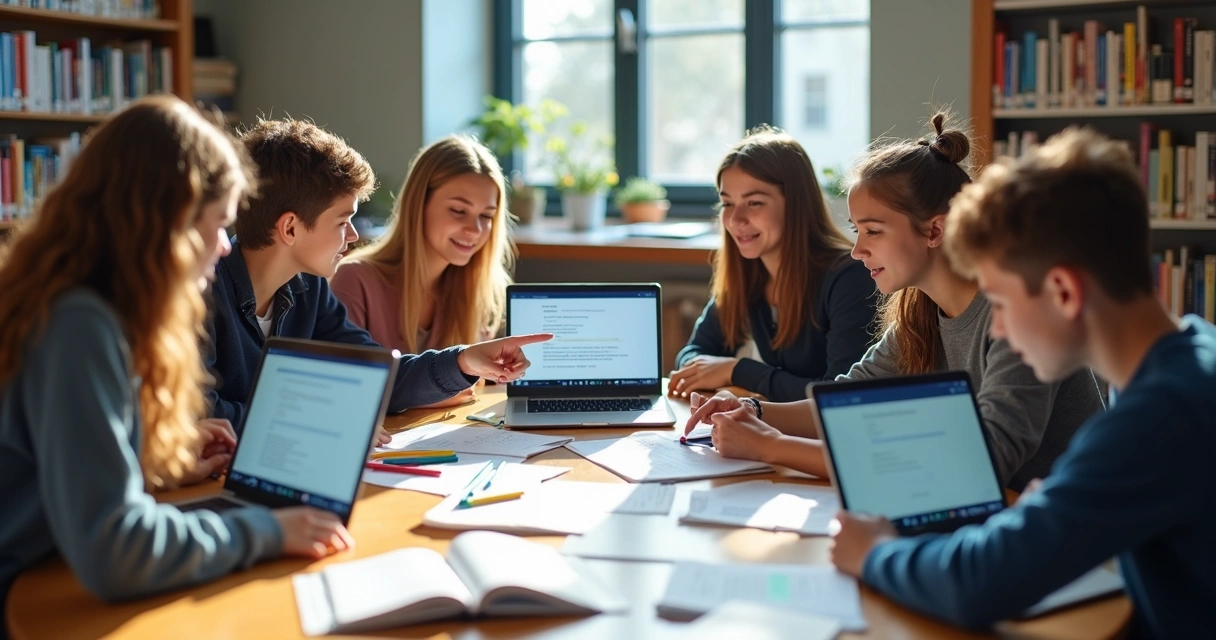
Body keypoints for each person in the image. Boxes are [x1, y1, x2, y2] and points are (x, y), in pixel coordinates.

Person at [830, 127, 1216, 637]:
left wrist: (876, 552)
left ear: (1063, 292)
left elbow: (981, 582)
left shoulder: (1158, 417)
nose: (1001, 327)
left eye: (1004, 302)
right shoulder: (1189, 358)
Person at [0, 97, 353, 609]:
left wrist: (145, 463)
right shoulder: (80, 324)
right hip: (26, 592)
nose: (226, 245)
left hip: (51, 566)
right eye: (215, 224)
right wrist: (265, 531)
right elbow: (114, 551)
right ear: (164, 222)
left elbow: (52, 472)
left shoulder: (79, 302)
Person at [686, 115, 1104, 490]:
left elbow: (982, 462)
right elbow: (843, 400)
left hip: (1075, 536)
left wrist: (773, 448)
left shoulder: (1020, 313)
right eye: (857, 231)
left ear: (934, 230)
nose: (857, 251)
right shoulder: (918, 311)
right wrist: (755, 410)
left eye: (873, 231)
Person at [207, 119, 547, 433]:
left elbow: (377, 376)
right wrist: (314, 420)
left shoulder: (308, 288)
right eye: (342, 222)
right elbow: (200, 414)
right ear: (290, 228)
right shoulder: (200, 294)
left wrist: (463, 360)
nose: (354, 235)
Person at [670, 126, 878, 402]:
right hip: (775, 428)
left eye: (754, 203)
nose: (735, 219)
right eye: (727, 203)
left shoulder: (849, 277)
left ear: (795, 204)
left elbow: (837, 396)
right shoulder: (748, 272)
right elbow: (692, 355)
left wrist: (737, 370)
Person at [333, 135, 513, 408]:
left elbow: (474, 391)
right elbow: (344, 392)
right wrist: (433, 396)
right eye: (458, 210)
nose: (474, 230)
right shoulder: (354, 280)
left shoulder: (474, 289)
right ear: (419, 205)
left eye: (486, 216)